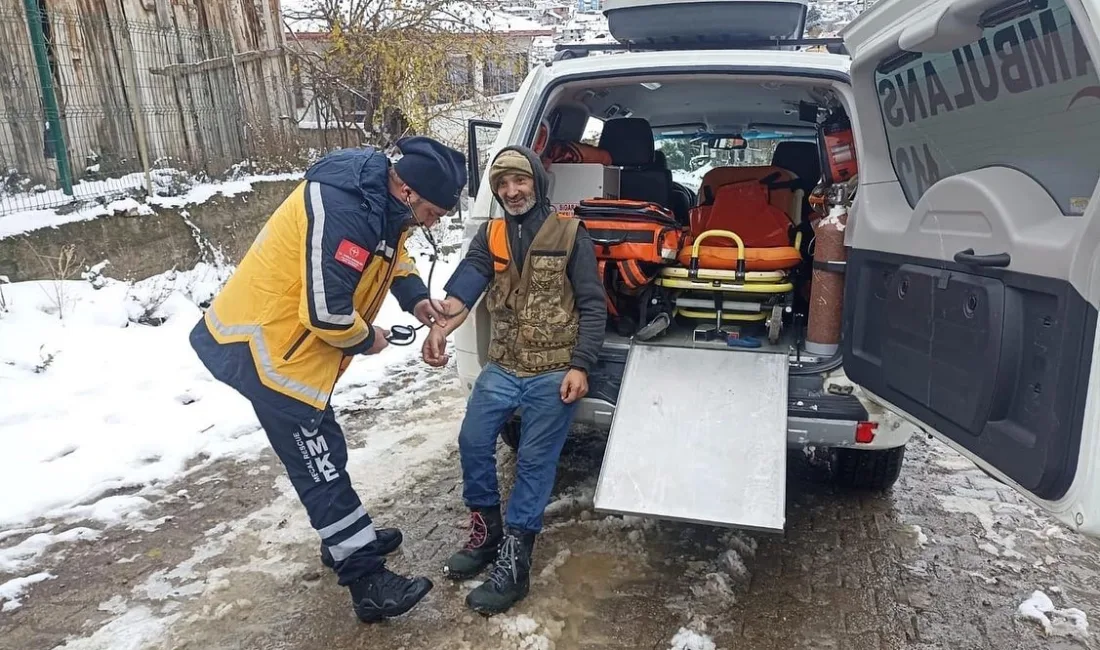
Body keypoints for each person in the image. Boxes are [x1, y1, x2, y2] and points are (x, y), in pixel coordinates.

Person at [188, 136, 466, 623]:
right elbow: (325, 312)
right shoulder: (345, 209)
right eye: (434, 213)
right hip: (265, 349)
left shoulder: (381, 200)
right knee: (319, 467)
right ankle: (367, 581)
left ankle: (342, 539)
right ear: (408, 193)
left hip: (293, 352)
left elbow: (392, 257)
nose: (433, 223)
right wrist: (369, 338)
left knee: (326, 448)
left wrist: (418, 300)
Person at [421, 145, 606, 615]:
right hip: (503, 365)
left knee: (535, 464)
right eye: (502, 184)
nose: (511, 191)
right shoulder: (492, 234)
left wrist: (580, 365)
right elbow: (467, 284)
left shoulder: (570, 232)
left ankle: (516, 564)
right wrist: (441, 326)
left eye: (519, 181)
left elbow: (592, 304)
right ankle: (487, 535)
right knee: (473, 441)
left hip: (553, 369)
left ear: (537, 184)